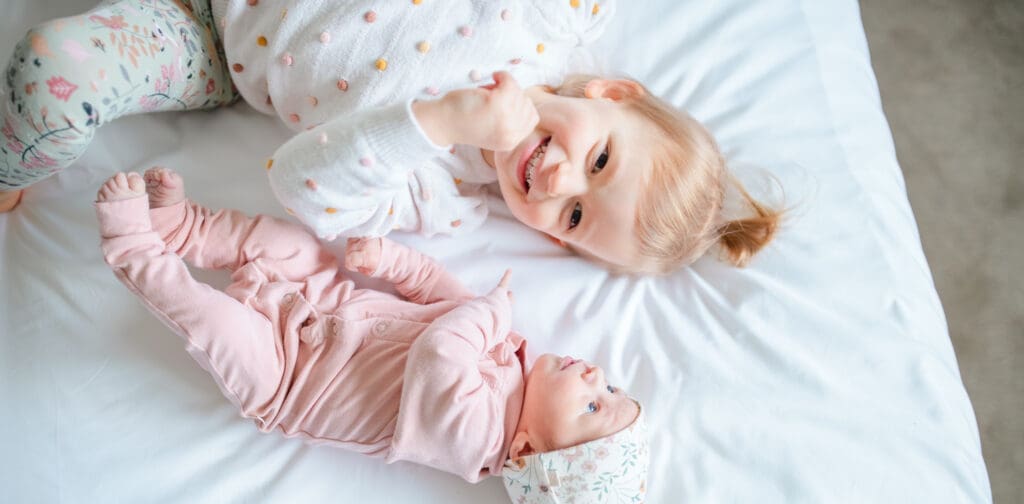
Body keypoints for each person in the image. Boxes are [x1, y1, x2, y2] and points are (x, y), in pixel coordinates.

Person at [93, 167, 650, 504]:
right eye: (611, 386)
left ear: (527, 451)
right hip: (323, 296)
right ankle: (181, 227)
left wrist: (494, 307)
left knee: (210, 320)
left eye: (593, 405)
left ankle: (134, 248)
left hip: (286, 378)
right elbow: (437, 293)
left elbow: (440, 352)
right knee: (285, 244)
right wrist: (389, 262)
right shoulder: (507, 352)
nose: (596, 376)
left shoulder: (474, 440)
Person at [5, 0, 782, 272]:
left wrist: (439, 123)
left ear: (554, 243)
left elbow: (300, 182)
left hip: (209, 36)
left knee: (51, 72)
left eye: (575, 216)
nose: (559, 180)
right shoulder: (551, 22)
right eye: (601, 158)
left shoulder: (439, 193)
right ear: (612, 93)